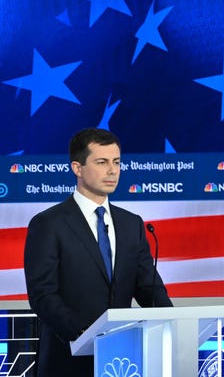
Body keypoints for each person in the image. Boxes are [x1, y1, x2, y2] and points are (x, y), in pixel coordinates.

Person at [23, 128, 172, 377]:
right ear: (77, 168)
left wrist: (173, 327)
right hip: (68, 359)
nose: (112, 170)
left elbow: (149, 288)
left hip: (125, 362)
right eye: (101, 162)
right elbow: (42, 294)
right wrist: (87, 337)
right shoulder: (49, 223)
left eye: (116, 162)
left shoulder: (131, 224)